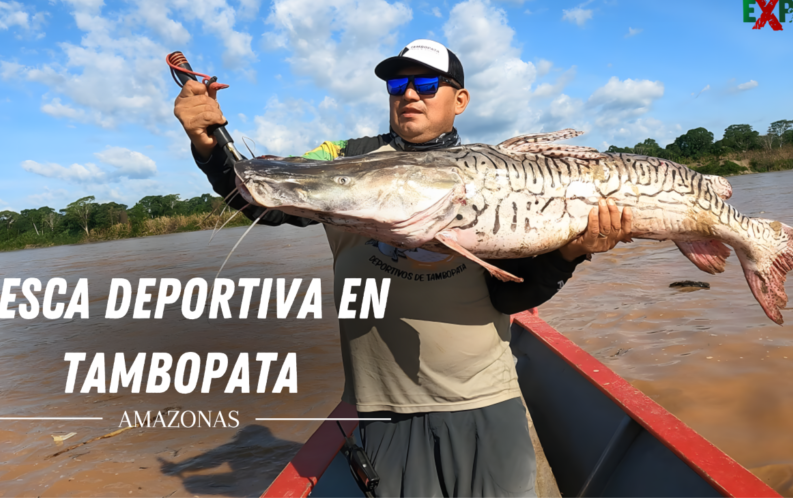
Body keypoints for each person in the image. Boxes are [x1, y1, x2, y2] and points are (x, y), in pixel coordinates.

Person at [174, 39, 633, 497]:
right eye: (397, 83)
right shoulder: (344, 157)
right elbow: (270, 197)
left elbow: (509, 297)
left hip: (484, 400)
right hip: (383, 411)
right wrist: (208, 146)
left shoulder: (501, 176)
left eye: (427, 83)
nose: (409, 93)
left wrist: (571, 253)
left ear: (460, 100)